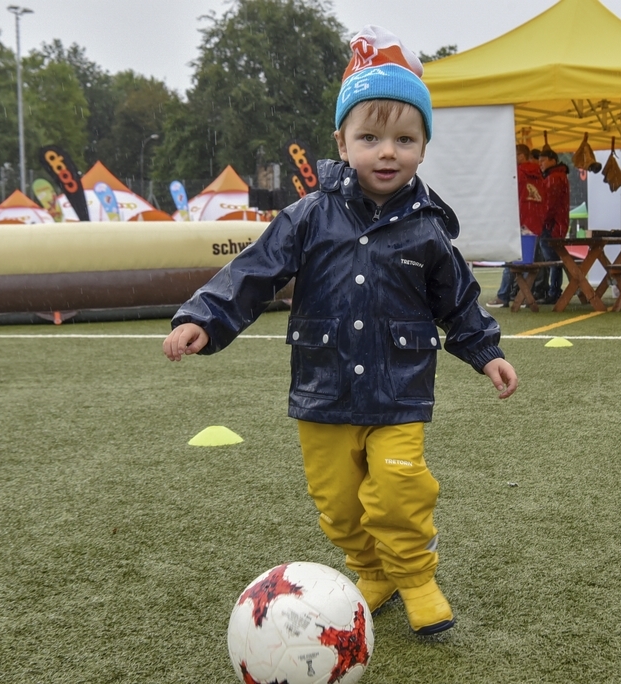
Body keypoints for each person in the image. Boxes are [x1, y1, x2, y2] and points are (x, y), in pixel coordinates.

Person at [162, 25, 518, 637]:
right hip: (322, 393)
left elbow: (458, 300)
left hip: (398, 393)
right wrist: (204, 316)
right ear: (342, 141)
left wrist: (485, 351)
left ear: (424, 147)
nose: (388, 151)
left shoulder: (429, 230)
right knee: (340, 506)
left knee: (400, 493)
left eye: (405, 139)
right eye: (370, 137)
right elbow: (255, 271)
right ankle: (369, 570)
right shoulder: (307, 216)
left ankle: (416, 579)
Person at [487, 144, 546, 308]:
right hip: (535, 221)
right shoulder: (539, 174)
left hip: (519, 221)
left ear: (521, 155)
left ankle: (504, 296)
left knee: (511, 259)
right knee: (530, 262)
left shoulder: (518, 173)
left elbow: (511, 197)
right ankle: (526, 297)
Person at [536, 148, 570, 304]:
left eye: (543, 160)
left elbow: (549, 205)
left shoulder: (554, 178)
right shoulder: (558, 176)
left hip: (551, 225)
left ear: (552, 160)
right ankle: (558, 290)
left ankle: (554, 292)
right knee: (557, 259)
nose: (540, 164)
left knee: (553, 261)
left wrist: (540, 220)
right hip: (557, 224)